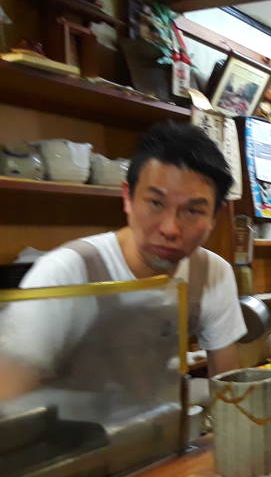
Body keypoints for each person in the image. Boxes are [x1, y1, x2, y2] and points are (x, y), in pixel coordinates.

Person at [0, 122, 245, 399]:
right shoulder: (66, 271)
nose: (170, 229)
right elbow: (8, 396)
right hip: (67, 437)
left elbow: (228, 390)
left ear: (214, 216)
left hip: (160, 431)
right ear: (127, 197)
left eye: (192, 211)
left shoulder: (213, 273)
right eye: (155, 203)